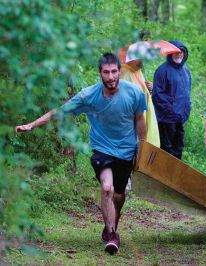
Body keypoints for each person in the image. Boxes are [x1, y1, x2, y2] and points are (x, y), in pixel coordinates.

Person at [15, 53, 147, 255]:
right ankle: (112, 235)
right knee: (106, 188)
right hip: (102, 150)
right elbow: (59, 111)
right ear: (100, 73)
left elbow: (139, 120)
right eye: (106, 72)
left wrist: (143, 148)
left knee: (119, 196)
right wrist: (32, 125)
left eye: (114, 72)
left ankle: (111, 224)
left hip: (126, 151)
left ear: (119, 71)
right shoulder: (89, 96)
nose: (111, 77)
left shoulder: (134, 93)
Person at [152, 40, 191, 159]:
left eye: (182, 52)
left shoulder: (186, 71)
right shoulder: (162, 71)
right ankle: (161, 177)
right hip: (166, 119)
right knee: (166, 150)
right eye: (176, 52)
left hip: (180, 118)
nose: (179, 54)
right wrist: (171, 111)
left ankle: (173, 177)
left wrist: (186, 110)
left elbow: (187, 93)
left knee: (178, 148)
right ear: (170, 53)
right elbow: (158, 96)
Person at [120, 41, 160, 147]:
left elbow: (141, 92)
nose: (142, 60)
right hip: (132, 121)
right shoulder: (124, 73)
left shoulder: (137, 71)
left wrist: (148, 89)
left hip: (142, 116)